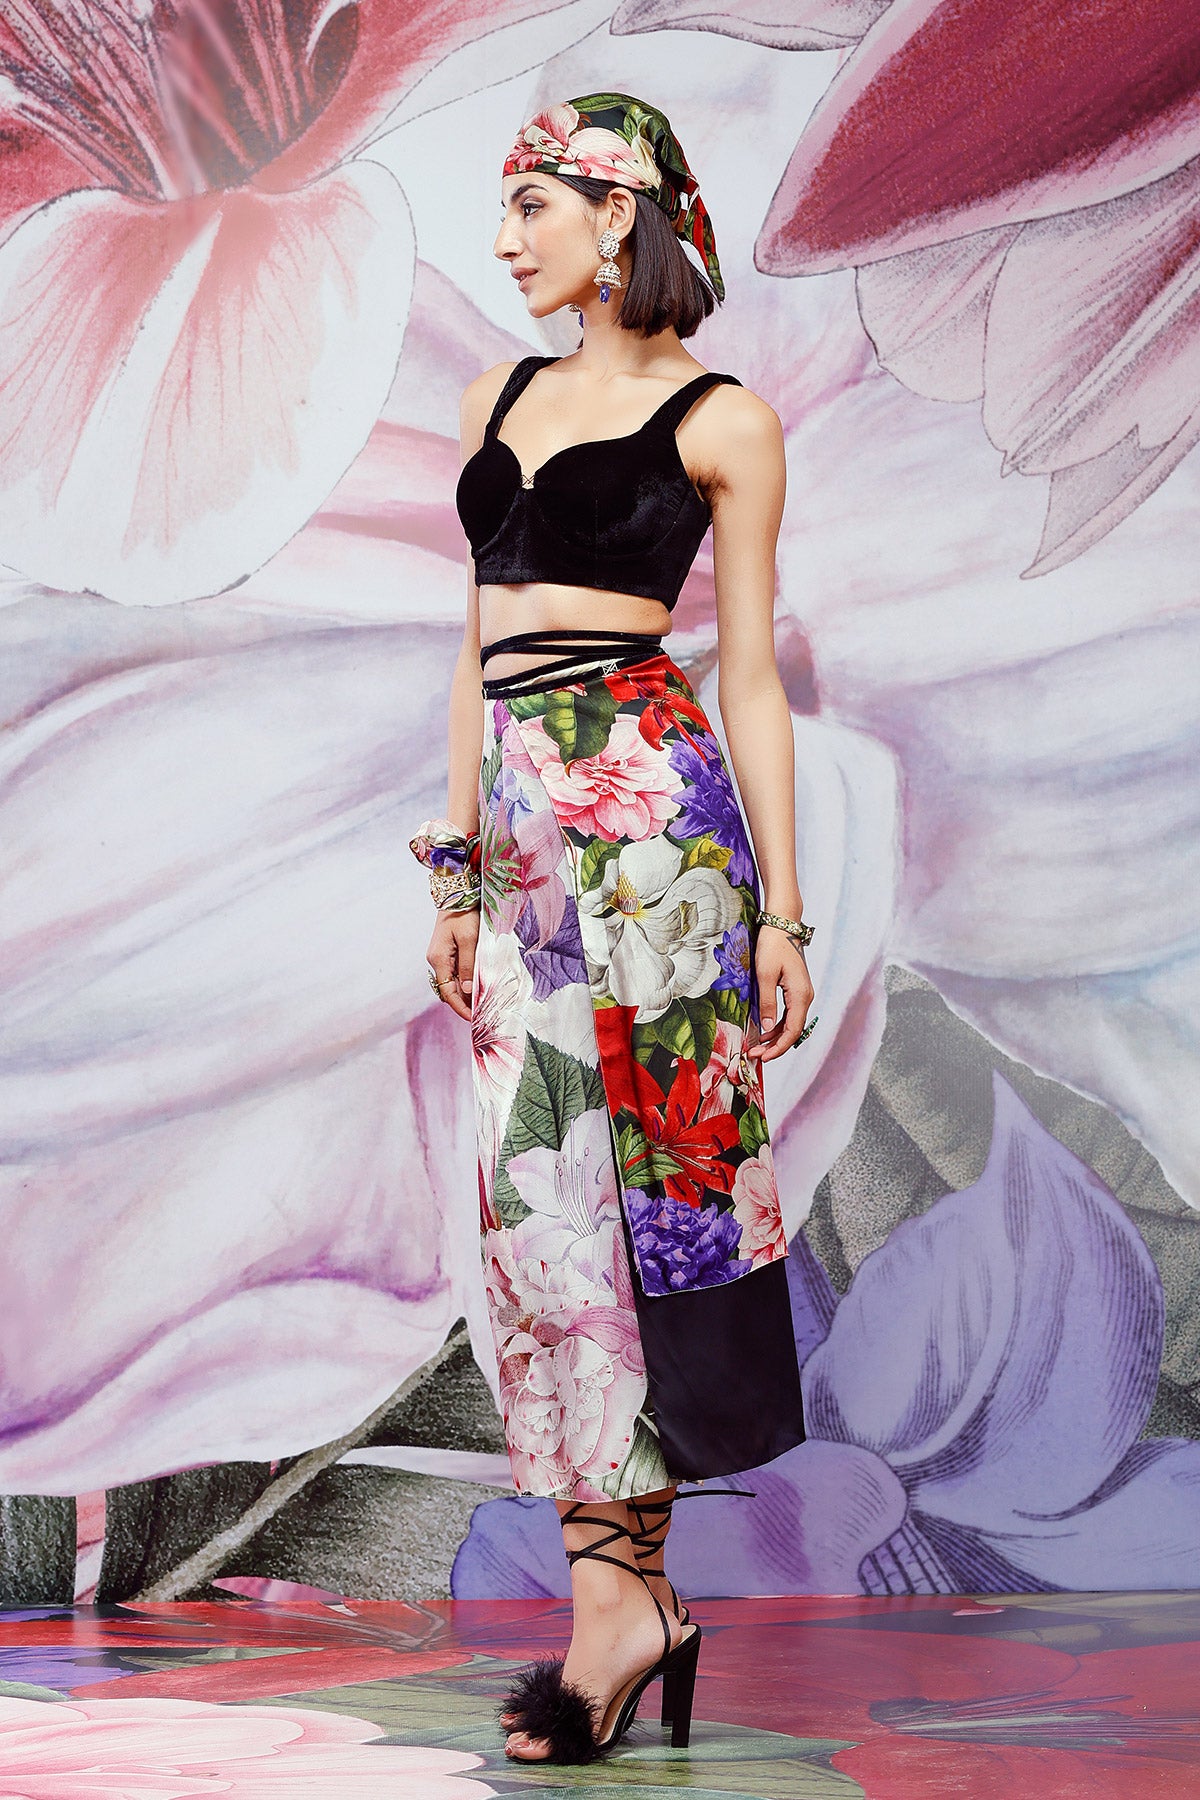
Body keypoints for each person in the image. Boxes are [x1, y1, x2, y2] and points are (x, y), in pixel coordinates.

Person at [410, 91, 818, 1766]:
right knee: (543, 1213)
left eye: (533, 206)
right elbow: (473, 650)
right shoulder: (494, 398)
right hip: (521, 834)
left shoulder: (726, 421)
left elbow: (751, 678)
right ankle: (626, 1600)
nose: (507, 239)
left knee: (654, 1201)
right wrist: (458, 873)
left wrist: (785, 913)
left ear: (617, 213)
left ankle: (614, 1614)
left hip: (654, 831)